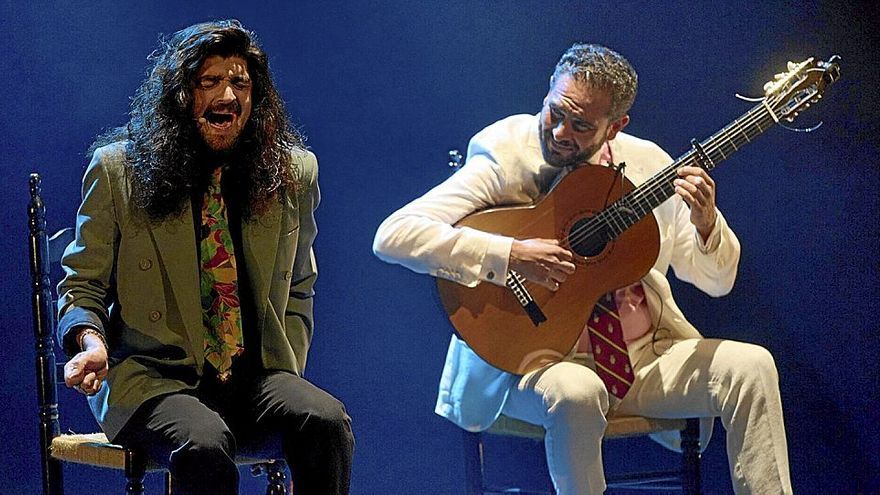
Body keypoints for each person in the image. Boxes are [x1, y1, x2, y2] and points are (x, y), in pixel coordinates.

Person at [373, 44, 791, 494]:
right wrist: (510, 253)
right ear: (548, 92)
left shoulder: (649, 164)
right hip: (536, 363)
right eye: (555, 112)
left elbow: (716, 280)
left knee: (752, 366)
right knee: (578, 393)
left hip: (640, 359)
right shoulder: (504, 152)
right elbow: (394, 235)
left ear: (616, 127)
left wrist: (706, 224)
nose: (560, 131)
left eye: (581, 125)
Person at [58, 20, 353, 494]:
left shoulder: (292, 173)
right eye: (209, 82)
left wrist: (286, 363)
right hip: (154, 380)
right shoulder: (119, 172)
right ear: (180, 95)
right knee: (203, 442)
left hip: (254, 379)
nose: (228, 96)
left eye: (239, 82)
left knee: (325, 419)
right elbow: (81, 285)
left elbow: (300, 283)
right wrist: (91, 343)